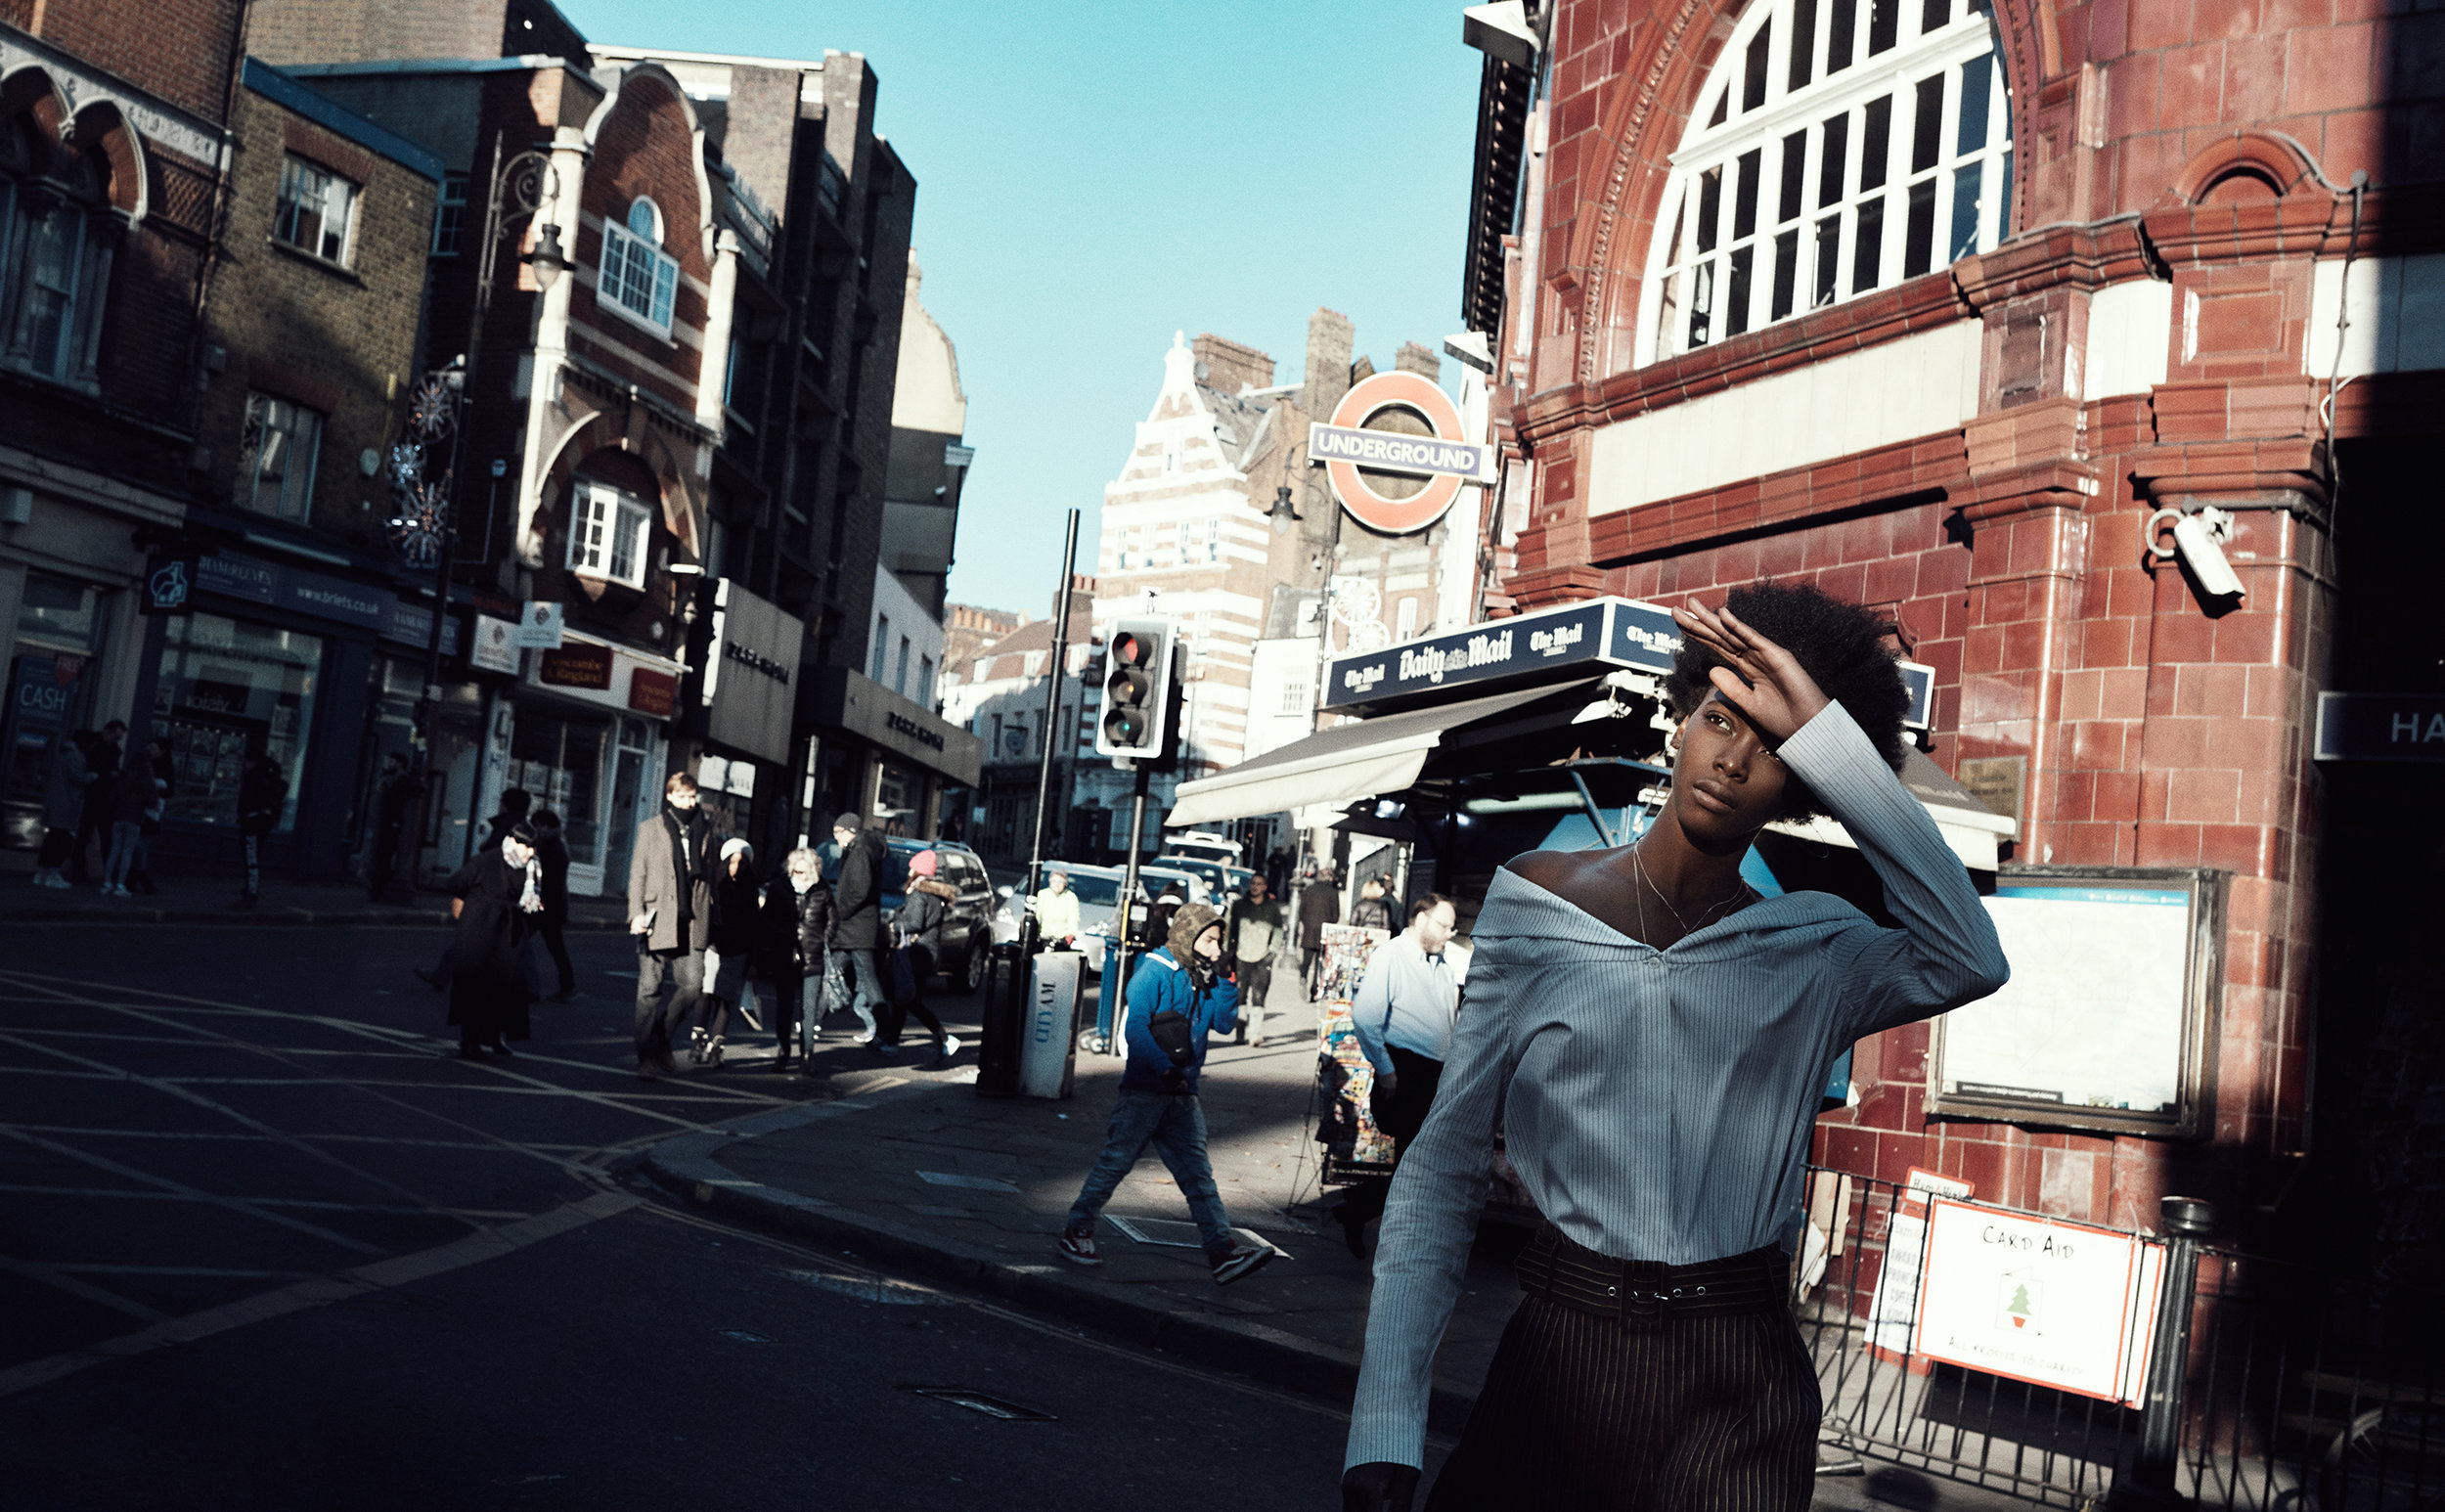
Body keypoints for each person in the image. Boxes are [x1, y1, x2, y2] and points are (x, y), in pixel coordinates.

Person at [1339, 585, 2011, 1512]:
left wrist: (1824, 732)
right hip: (1560, 1357)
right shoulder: (1536, 904)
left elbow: (1969, 956)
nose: (1734, 760)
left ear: (1804, 780)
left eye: (1775, 748)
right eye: (1720, 720)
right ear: (1680, 720)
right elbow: (1444, 1168)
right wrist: (1385, 1421)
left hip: (1739, 1382)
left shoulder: (1813, 947)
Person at [1055, 903, 1274, 1287]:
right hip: (1146, 1090)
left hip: (1183, 1093)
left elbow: (1223, 1025)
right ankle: (1076, 1231)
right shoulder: (1153, 972)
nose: (1215, 948)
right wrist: (1165, 1069)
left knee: (1198, 1178)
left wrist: (1224, 980)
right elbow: (1135, 1030)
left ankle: (1221, 1253)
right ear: (1189, 936)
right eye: (1209, 940)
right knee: (1115, 1164)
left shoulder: (1203, 977)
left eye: (1218, 942)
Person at [1334, 893, 1462, 1258]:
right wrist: (1388, 1071)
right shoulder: (1391, 955)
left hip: (1433, 1075)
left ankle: (1359, 1210)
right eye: (1443, 925)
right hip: (1405, 1071)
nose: (1449, 934)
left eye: (1453, 927)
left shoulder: (1441, 965)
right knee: (1417, 1163)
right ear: (1420, 918)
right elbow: (1365, 1017)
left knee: (1418, 1164)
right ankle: (1373, 1220)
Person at [627, 772, 715, 1078]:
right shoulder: (651, 828)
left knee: (693, 985)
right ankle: (646, 1056)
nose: (689, 803)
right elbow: (638, 872)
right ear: (670, 796)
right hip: (657, 917)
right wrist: (635, 912)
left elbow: (710, 878)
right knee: (649, 991)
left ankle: (662, 1036)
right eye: (683, 797)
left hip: (692, 920)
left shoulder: (705, 829)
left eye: (693, 797)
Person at [443, 820, 545, 1060]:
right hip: (479, 928)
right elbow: (455, 882)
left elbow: (533, 896)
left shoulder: (532, 868)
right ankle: (470, 1040)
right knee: (474, 984)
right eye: (526, 846)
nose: (530, 853)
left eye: (533, 848)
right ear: (513, 841)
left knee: (506, 985)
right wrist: (470, 900)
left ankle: (495, 1036)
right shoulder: (486, 860)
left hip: (508, 932)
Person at [881, 849, 963, 1068]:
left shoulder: (919, 893)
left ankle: (945, 1038)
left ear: (918, 870)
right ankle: (892, 1041)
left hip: (917, 953)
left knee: (909, 1000)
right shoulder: (933, 893)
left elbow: (915, 923)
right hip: (925, 954)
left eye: (912, 866)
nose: (909, 870)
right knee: (904, 998)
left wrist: (893, 925)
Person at [759, 846, 832, 1073]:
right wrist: (778, 939)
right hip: (785, 953)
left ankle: (807, 1055)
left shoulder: (822, 889)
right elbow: (767, 918)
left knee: (809, 1009)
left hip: (813, 954)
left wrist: (822, 941)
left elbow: (833, 920)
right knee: (784, 1007)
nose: (799, 877)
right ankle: (783, 1052)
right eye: (795, 872)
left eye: (803, 872)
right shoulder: (779, 887)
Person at [694, 837, 763, 1067]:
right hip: (714, 947)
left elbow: (755, 926)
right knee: (706, 992)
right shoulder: (716, 885)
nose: (736, 867)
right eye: (732, 862)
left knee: (725, 1000)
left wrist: (753, 961)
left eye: (741, 863)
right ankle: (698, 1040)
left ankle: (716, 1047)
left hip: (738, 950)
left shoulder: (750, 889)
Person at [827, 812, 888, 1049]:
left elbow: (859, 891)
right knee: (832, 971)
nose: (836, 839)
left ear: (850, 830)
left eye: (838, 833)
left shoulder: (861, 850)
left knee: (866, 979)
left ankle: (885, 1029)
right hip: (854, 929)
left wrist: (839, 912)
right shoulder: (857, 849)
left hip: (856, 928)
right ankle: (810, 1021)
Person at [1226, 873, 1285, 1047]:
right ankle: (1239, 1033)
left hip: (1262, 958)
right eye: (1253, 883)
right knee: (1240, 996)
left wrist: (1272, 952)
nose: (1255, 887)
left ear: (1265, 887)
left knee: (1259, 997)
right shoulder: (1238, 906)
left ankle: (1255, 1034)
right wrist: (1227, 952)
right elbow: (1230, 929)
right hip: (1241, 956)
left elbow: (1278, 931)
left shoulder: (1272, 909)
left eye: (1259, 884)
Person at [32, 730, 94, 889]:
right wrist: (92, 776)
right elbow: (77, 777)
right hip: (67, 804)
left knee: (51, 838)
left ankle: (41, 873)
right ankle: (53, 873)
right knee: (62, 840)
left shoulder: (61, 752)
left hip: (55, 802)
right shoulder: (75, 756)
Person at [101, 747, 163, 897]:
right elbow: (152, 803)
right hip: (134, 819)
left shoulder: (122, 779)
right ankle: (120, 885)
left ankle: (107, 882)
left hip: (118, 817)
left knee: (114, 851)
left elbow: (112, 798)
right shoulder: (145, 782)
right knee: (127, 853)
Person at [531, 808, 576, 1000]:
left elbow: (548, 881)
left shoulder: (551, 847)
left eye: (536, 826)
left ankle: (532, 987)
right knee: (555, 947)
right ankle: (567, 985)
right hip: (551, 906)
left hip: (544, 905)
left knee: (518, 941)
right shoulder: (555, 844)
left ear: (543, 826)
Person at [72, 720, 124, 884]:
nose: (117, 741)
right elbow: (89, 769)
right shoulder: (94, 746)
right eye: (116, 736)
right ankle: (83, 872)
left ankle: (101, 874)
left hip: (101, 798)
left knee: (100, 837)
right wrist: (109, 775)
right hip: (94, 796)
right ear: (108, 732)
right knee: (89, 836)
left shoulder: (108, 748)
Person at [233, 753, 286, 909]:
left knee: (251, 857)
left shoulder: (254, 777)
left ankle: (251, 892)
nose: (244, 764)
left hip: (252, 820)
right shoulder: (273, 779)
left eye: (247, 760)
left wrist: (243, 815)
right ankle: (250, 888)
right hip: (265, 820)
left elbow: (245, 800)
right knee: (254, 855)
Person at [125, 736, 172, 897]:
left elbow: (169, 791)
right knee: (138, 846)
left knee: (140, 845)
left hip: (151, 810)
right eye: (150, 747)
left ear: (162, 751)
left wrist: (154, 785)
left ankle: (139, 878)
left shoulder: (164, 767)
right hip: (142, 807)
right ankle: (140, 879)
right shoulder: (146, 762)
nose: (150, 751)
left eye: (154, 749)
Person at [367, 753, 415, 903]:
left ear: (399, 764)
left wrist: (395, 821)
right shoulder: (386, 777)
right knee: (378, 856)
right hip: (382, 821)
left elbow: (397, 803)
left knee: (383, 857)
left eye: (392, 761)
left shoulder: (401, 780)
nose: (388, 763)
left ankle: (379, 890)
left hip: (390, 823)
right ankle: (376, 888)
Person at [1297, 861, 1341, 995]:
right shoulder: (1333, 893)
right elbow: (1335, 914)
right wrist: (1330, 923)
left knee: (1306, 959)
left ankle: (1303, 976)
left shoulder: (1309, 890)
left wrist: (1306, 922)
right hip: (1324, 930)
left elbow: (1301, 911)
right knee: (1319, 962)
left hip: (1309, 929)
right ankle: (1314, 988)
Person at [1031, 866, 1082, 947]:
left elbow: (1073, 918)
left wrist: (1071, 934)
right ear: (1050, 882)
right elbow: (1037, 914)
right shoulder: (1042, 894)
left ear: (1065, 883)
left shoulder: (1071, 897)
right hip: (1043, 936)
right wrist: (1034, 932)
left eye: (1060, 881)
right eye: (1054, 881)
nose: (1056, 884)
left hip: (1061, 939)